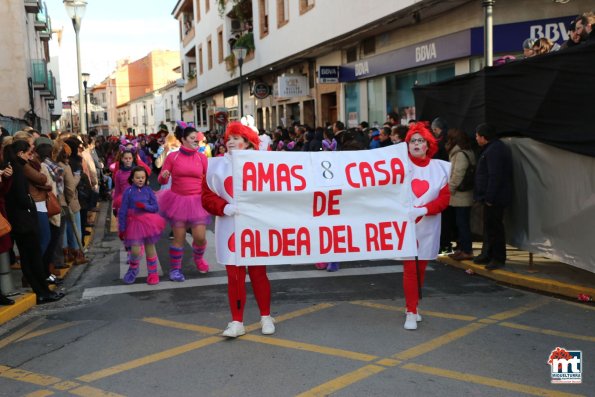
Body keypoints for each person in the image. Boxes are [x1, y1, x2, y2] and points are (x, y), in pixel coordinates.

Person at [201, 121, 275, 338]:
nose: (230, 142)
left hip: (254, 225)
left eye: (236, 138)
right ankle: (237, 321)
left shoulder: (261, 164)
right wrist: (224, 207)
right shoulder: (215, 166)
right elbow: (206, 196)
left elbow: (276, 189)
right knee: (234, 276)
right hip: (228, 225)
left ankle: (266, 316)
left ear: (247, 142)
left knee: (258, 272)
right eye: (229, 138)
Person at [3, 140, 64, 304]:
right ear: (20, 154)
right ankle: (42, 291)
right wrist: (30, 202)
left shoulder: (14, 168)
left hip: (19, 219)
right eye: (28, 153)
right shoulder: (17, 170)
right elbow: (22, 197)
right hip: (23, 219)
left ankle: (42, 290)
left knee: (29, 257)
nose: (31, 155)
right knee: (33, 257)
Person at [403, 122, 450, 330]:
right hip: (405, 227)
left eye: (420, 140)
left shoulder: (439, 168)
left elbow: (444, 200)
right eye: (412, 140)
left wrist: (423, 210)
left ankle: (414, 306)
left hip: (428, 227)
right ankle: (411, 311)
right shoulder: (399, 166)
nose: (416, 144)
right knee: (410, 269)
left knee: (421, 269)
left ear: (428, 145)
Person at [158, 124, 210, 281]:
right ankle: (175, 269)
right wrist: (165, 175)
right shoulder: (172, 157)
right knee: (179, 238)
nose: (196, 141)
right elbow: (161, 178)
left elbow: (208, 179)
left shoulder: (202, 157)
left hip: (197, 201)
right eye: (193, 138)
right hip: (178, 200)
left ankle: (198, 258)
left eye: (197, 138)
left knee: (200, 237)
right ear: (183, 140)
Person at [472, 123, 512, 270]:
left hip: (494, 199)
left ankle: (498, 258)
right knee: (489, 228)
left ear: (483, 137)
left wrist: (489, 197)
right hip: (491, 197)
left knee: (495, 229)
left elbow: (495, 176)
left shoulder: (495, 150)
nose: (476, 138)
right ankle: (488, 254)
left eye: (477, 136)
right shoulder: (491, 148)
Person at [118, 166, 165, 285]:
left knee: (150, 249)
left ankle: (153, 273)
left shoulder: (148, 190)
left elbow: (155, 207)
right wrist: (122, 228)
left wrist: (145, 207)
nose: (140, 180)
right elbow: (123, 210)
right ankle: (133, 269)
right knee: (135, 251)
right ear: (132, 179)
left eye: (143, 177)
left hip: (148, 222)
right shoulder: (128, 191)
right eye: (138, 177)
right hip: (134, 223)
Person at [445, 129, 476, 261]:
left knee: (462, 223)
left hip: (461, 195)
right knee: (461, 222)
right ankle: (462, 248)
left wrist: (449, 189)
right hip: (462, 194)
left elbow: (458, 174)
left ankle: (467, 250)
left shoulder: (460, 154)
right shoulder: (465, 152)